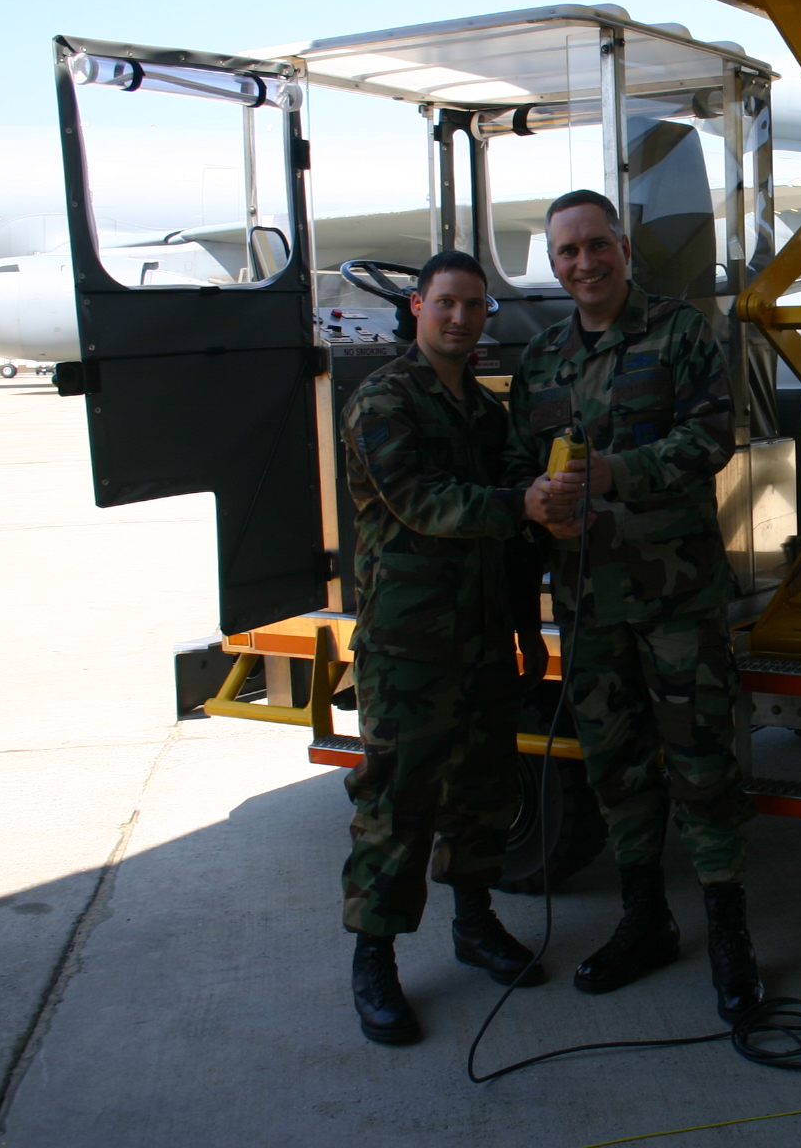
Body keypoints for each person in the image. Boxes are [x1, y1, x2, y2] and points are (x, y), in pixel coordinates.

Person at [505, 188, 763, 1024]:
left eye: (596, 245)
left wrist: (618, 473)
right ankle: (644, 918)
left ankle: (729, 934)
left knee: (703, 768)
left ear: (623, 247)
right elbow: (520, 469)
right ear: (555, 264)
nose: (584, 263)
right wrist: (533, 499)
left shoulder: (681, 332)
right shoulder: (541, 361)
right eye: (567, 252)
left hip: (676, 600)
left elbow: (711, 438)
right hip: (587, 605)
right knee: (616, 770)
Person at [339, 249, 548, 1046]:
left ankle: (473, 923)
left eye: (475, 306)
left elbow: (511, 541)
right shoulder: (384, 401)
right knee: (399, 803)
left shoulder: (487, 415)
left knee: (484, 791)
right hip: (410, 645)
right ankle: (375, 958)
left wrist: (525, 622)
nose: (461, 318)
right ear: (418, 306)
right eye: (447, 303)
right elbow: (425, 503)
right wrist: (520, 502)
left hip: (485, 636)